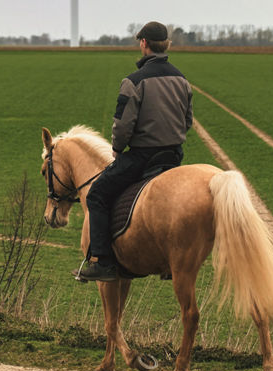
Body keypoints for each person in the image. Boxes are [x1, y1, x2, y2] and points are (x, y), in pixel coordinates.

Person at [76, 21, 193, 282]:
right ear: (167, 45)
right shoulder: (182, 79)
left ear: (144, 44)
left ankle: (102, 261)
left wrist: (117, 149)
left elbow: (122, 126)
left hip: (142, 158)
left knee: (97, 194)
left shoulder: (134, 82)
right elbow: (188, 121)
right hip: (173, 157)